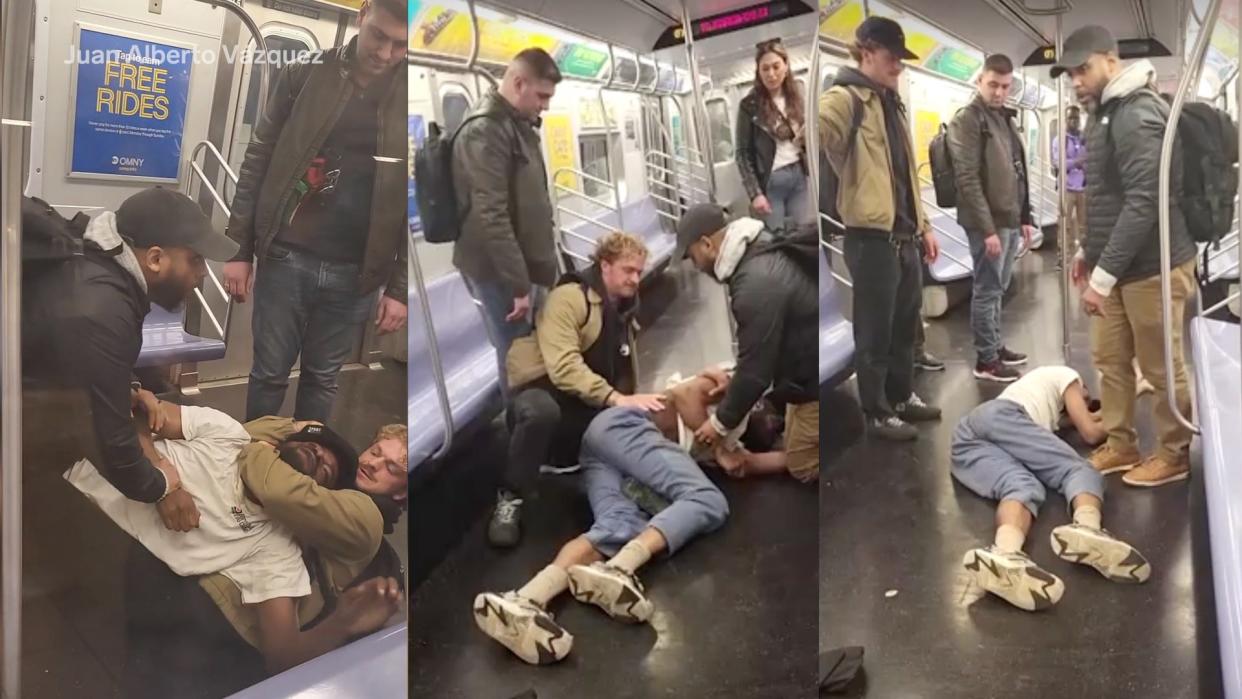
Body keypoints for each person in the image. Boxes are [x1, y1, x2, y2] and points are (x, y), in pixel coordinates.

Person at [65, 398, 404, 676]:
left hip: (92, 569)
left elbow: (283, 654)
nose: (375, 464)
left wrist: (343, 621)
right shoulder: (226, 435)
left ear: (317, 495)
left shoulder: (275, 547)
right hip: (73, 476)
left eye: (324, 471)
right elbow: (134, 410)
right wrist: (161, 482)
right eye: (376, 452)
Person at [222, 0, 409, 424]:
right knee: (268, 375)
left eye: (400, 45)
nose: (385, 53)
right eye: (379, 36)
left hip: (357, 271)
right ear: (363, 14)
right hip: (287, 256)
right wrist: (238, 249)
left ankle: (308, 466)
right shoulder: (304, 75)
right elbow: (259, 159)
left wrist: (399, 287)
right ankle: (256, 462)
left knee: (323, 378)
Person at [22, 186, 239, 531]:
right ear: (155, 259)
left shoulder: (100, 272)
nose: (201, 276)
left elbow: (83, 364)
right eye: (195, 260)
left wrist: (129, 388)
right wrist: (161, 485)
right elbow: (111, 441)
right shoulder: (102, 308)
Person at [472, 406, 729, 665]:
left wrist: (739, 455)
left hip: (604, 444)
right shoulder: (730, 387)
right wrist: (720, 438)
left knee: (619, 524)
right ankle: (620, 566)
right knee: (707, 499)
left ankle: (526, 599)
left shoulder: (745, 433)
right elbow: (687, 393)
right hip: (624, 426)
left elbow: (758, 463)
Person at [1054, 25, 1198, 486]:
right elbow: (1106, 196)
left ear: (1110, 62)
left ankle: (1173, 453)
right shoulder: (1105, 114)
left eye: (1083, 69)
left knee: (1160, 367)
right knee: (1109, 358)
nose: (1076, 81)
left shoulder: (1135, 115)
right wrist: (1086, 249)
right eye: (1071, 74)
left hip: (1153, 266)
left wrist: (1101, 276)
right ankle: (1121, 444)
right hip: (1117, 266)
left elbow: (1144, 202)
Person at [489, 232, 666, 547]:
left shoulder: (624, 307)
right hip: (541, 389)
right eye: (628, 270)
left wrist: (629, 406)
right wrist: (616, 399)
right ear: (605, 266)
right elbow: (564, 367)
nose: (635, 279)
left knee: (628, 425)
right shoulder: (570, 298)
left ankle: (630, 488)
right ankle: (511, 497)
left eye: (639, 272)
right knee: (541, 413)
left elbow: (623, 365)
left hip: (582, 398)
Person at [818, 16, 943, 441]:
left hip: (904, 236)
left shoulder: (889, 101)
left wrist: (923, 225)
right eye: (892, 58)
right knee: (874, 331)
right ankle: (875, 411)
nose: (898, 67)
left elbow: (905, 175)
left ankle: (902, 395)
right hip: (870, 240)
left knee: (905, 325)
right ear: (867, 51)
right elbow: (818, 131)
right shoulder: (844, 98)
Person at [952, 366, 1151, 612]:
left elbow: (1098, 417)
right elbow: (1090, 432)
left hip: (965, 440)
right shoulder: (1069, 377)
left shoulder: (1044, 403)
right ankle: (1088, 528)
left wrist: (1131, 396)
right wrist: (1132, 396)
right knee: (1079, 469)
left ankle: (1005, 553)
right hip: (1001, 416)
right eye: (1085, 398)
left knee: (1021, 485)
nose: (1085, 402)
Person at [674, 203, 820, 482]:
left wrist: (719, 424)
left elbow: (756, 371)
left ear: (707, 244)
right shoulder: (761, 247)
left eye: (692, 257)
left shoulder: (755, 282)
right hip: (806, 358)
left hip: (811, 375)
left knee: (802, 465)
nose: (694, 266)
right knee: (791, 433)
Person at [452, 47, 563, 391]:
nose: (545, 105)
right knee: (517, 357)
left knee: (532, 349)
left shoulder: (517, 124)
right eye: (542, 95)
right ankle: (524, 432)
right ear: (518, 83)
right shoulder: (485, 130)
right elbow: (492, 215)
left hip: (524, 264)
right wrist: (518, 285)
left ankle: (540, 422)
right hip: (499, 271)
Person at [948, 53, 1035, 383]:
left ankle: (995, 346)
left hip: (1009, 218)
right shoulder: (968, 120)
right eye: (993, 85)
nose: (999, 92)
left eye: (1005, 86)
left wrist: (1025, 216)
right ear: (979, 81)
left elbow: (1018, 169)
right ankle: (985, 360)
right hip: (987, 223)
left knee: (999, 287)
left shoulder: (1004, 119)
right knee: (986, 289)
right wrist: (987, 230)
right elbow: (967, 177)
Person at [735, 39, 808, 232]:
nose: (771, 74)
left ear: (786, 66)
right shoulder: (749, 105)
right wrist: (755, 194)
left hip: (798, 175)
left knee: (805, 235)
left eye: (776, 67)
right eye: (765, 69)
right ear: (758, 72)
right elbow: (742, 154)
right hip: (771, 182)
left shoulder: (796, 97)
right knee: (778, 239)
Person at [1051, 104, 1088, 246]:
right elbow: (1058, 163)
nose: (1074, 121)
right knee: (1064, 225)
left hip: (1083, 188)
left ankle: (1084, 258)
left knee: (1084, 226)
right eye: (1070, 118)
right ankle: (1063, 258)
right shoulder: (1060, 140)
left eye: (1076, 118)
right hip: (1067, 189)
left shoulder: (1084, 139)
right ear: (1065, 120)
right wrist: (1077, 162)